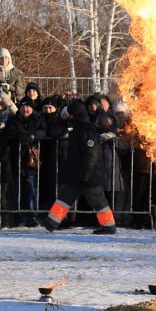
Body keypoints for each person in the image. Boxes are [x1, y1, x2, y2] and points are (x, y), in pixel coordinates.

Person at [42, 100, 117, 235]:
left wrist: (85, 174)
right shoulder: (78, 129)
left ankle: (109, 226)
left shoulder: (86, 130)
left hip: (89, 175)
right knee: (65, 197)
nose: (68, 117)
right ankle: (51, 222)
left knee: (98, 201)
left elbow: (91, 154)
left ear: (75, 114)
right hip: (78, 174)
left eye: (70, 114)